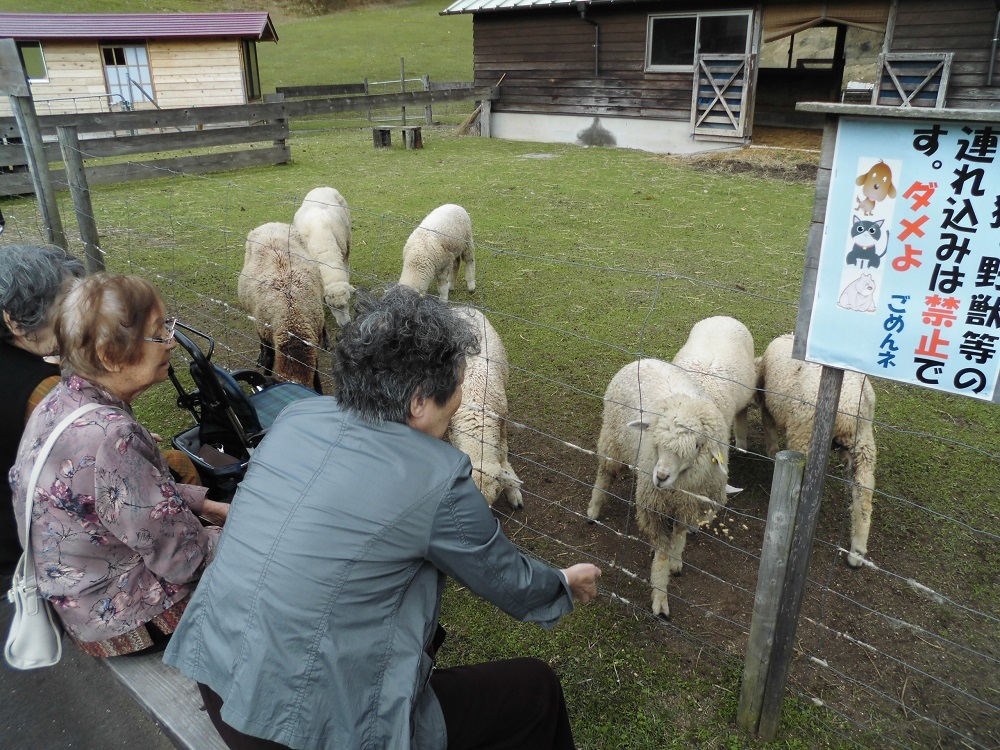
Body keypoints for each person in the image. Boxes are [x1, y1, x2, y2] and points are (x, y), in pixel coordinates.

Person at [164, 285, 602, 750]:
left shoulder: (296, 418)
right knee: (535, 689)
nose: (451, 421)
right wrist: (562, 583)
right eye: (451, 404)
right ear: (418, 402)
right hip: (299, 731)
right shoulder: (437, 473)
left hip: (217, 683)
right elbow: (505, 577)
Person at [9, 272, 230, 657]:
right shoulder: (113, 436)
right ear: (111, 356)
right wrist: (244, 534)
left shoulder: (60, 402)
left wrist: (205, 506)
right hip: (123, 616)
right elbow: (184, 560)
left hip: (80, 603)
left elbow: (121, 498)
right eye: (160, 332)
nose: (172, 343)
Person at [0, 244, 85, 574]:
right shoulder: (40, 391)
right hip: (20, 551)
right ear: (16, 322)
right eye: (66, 311)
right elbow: (87, 471)